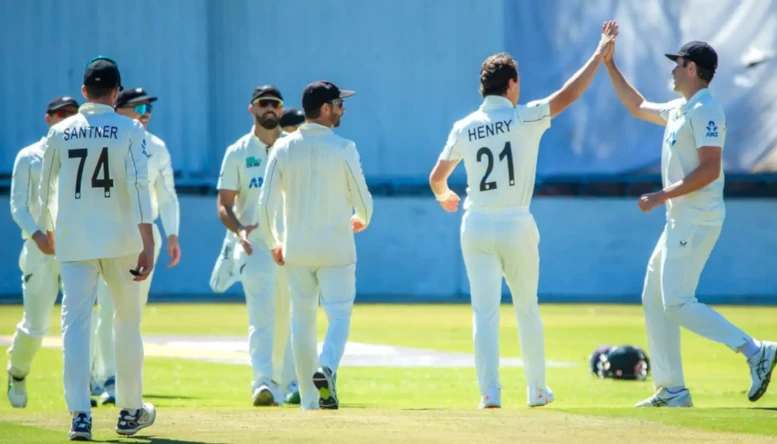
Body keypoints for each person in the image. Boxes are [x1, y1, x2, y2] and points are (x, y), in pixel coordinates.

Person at [427, 21, 619, 409]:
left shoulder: (464, 126)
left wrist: (445, 196)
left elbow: (436, 179)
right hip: (515, 223)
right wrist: (599, 56)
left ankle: (489, 393)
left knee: (484, 314)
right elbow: (570, 94)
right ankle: (536, 390)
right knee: (527, 309)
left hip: (475, 224)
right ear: (511, 84)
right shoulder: (525, 117)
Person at [602, 39, 777, 407]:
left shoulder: (706, 110)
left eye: (678, 63)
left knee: (677, 302)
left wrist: (660, 195)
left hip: (697, 219)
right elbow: (637, 106)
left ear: (692, 68)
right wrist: (609, 63)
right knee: (654, 298)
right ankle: (672, 390)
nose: (672, 70)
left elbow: (710, 170)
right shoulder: (680, 108)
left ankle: (755, 350)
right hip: (679, 220)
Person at [38, 56, 156, 440]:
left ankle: (79, 416)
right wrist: (148, 240)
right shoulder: (131, 129)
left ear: (84, 91)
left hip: (75, 241)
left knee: (75, 325)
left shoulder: (60, 132)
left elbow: (45, 189)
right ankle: (130, 410)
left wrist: (50, 231)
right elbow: (139, 186)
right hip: (122, 239)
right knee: (126, 321)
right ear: (116, 92)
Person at [258, 80, 373, 410]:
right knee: (339, 315)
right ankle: (328, 368)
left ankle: (310, 399)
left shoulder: (283, 147)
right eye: (339, 104)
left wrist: (274, 242)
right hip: (336, 247)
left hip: (297, 249)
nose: (342, 110)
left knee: (302, 321)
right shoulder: (344, 147)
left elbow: (265, 205)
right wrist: (363, 218)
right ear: (325, 109)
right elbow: (363, 199)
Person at [89, 87, 182, 405]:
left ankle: (123, 380)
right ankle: (106, 377)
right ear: (119, 109)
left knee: (132, 312)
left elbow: (167, 194)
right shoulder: (104, 139)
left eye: (148, 109)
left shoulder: (157, 147)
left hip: (144, 233)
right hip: (109, 231)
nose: (145, 114)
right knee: (107, 308)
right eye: (139, 108)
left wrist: (172, 235)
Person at [216, 84, 298, 406]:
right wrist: (239, 230)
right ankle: (263, 383)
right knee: (262, 317)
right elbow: (224, 204)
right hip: (256, 246)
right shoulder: (238, 151)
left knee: (291, 317)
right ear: (252, 108)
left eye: (275, 104)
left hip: (291, 246)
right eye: (264, 103)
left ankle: (291, 383)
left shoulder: (294, 147)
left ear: (281, 109)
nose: (270, 109)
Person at [7, 96, 79, 408]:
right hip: (41, 252)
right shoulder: (29, 156)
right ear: (48, 118)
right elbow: (18, 206)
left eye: (73, 114)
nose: (67, 119)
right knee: (36, 326)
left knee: (80, 322)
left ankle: (82, 391)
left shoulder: (82, 154)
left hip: (76, 250)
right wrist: (38, 236)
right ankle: (18, 372)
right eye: (62, 114)